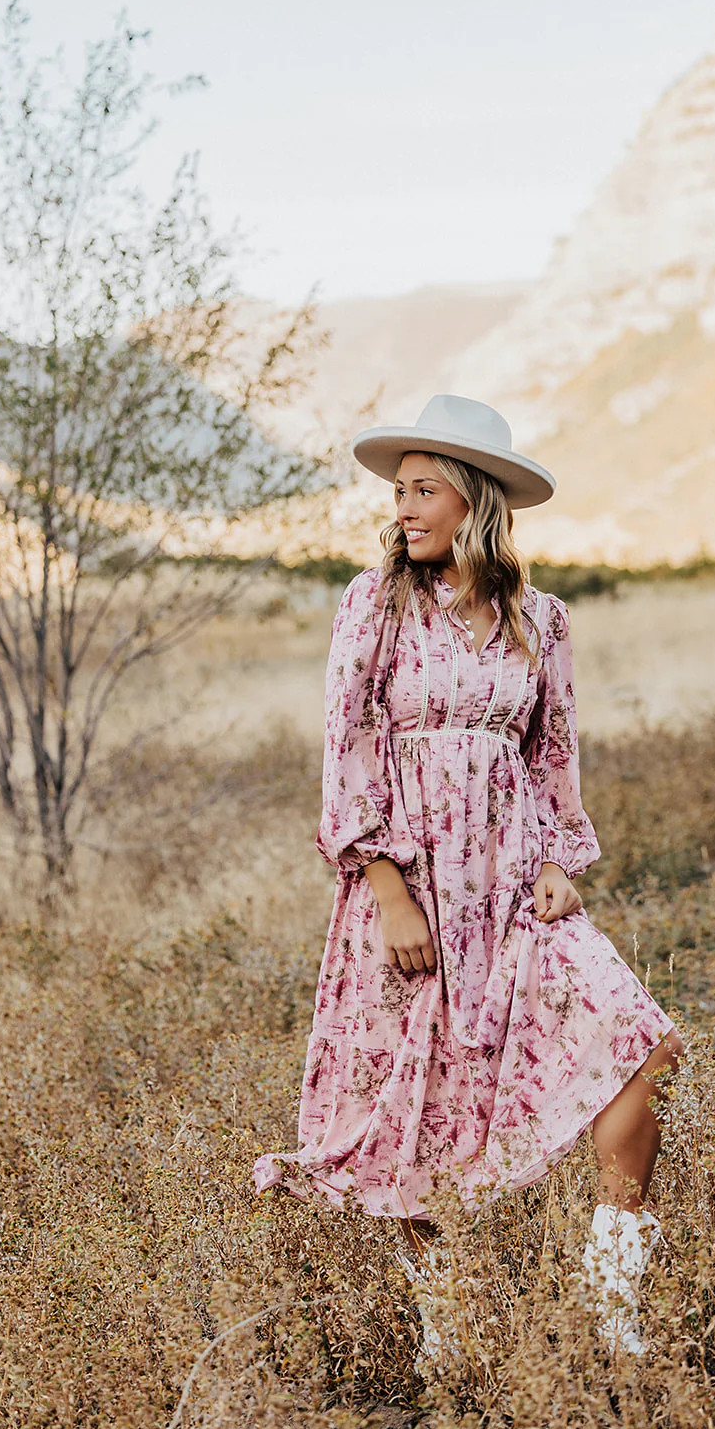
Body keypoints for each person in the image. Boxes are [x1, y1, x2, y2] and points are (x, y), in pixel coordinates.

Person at [253, 394, 685, 1360]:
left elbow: (552, 754)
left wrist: (563, 865)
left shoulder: (544, 620)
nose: (403, 508)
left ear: (474, 501)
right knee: (416, 1105)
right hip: (412, 891)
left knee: (641, 1042)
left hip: (514, 887)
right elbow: (349, 746)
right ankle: (447, 1328)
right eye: (399, 492)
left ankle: (613, 1303)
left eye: (423, 490)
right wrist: (387, 891)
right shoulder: (375, 604)